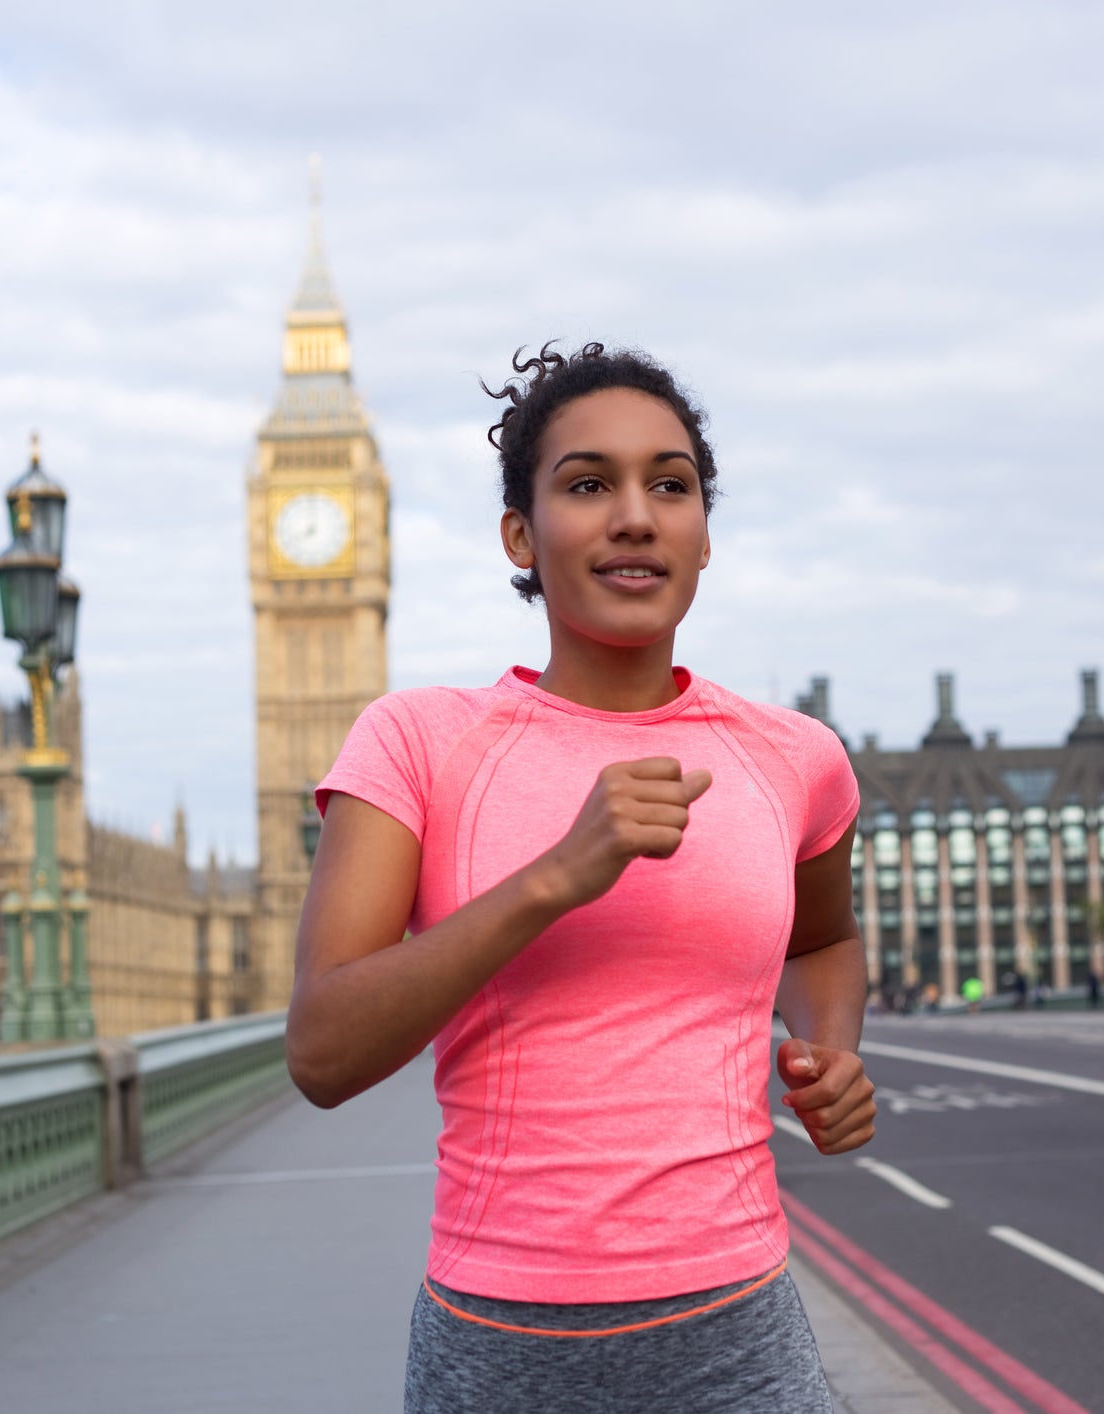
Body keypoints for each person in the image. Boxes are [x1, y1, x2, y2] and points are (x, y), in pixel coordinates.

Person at [288, 343, 875, 1414]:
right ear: (521, 533)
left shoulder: (795, 756)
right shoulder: (417, 744)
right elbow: (322, 1050)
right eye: (589, 484)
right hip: (500, 1346)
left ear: (703, 535)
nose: (637, 515)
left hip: (739, 1333)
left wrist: (830, 1052)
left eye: (672, 484)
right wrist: (554, 876)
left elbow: (825, 939)